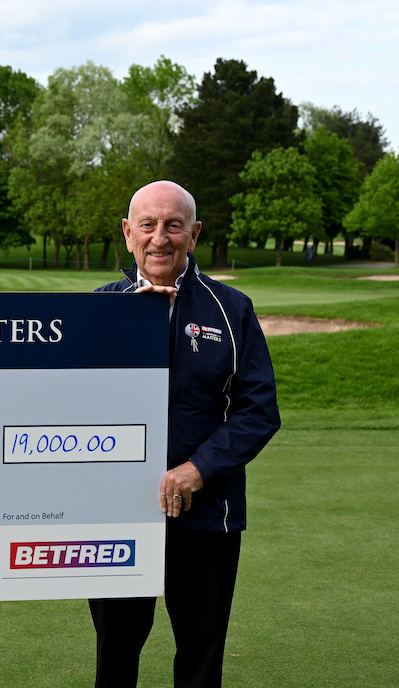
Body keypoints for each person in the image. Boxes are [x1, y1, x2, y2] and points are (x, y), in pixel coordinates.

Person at [90, 180, 280, 687]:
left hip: (206, 516)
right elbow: (65, 404)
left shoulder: (231, 309)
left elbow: (258, 411)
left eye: (174, 225)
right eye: (148, 225)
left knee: (201, 651)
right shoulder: (99, 310)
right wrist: (132, 323)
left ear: (193, 235)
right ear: (128, 234)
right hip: (119, 518)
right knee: (116, 650)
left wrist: (197, 470)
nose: (160, 238)